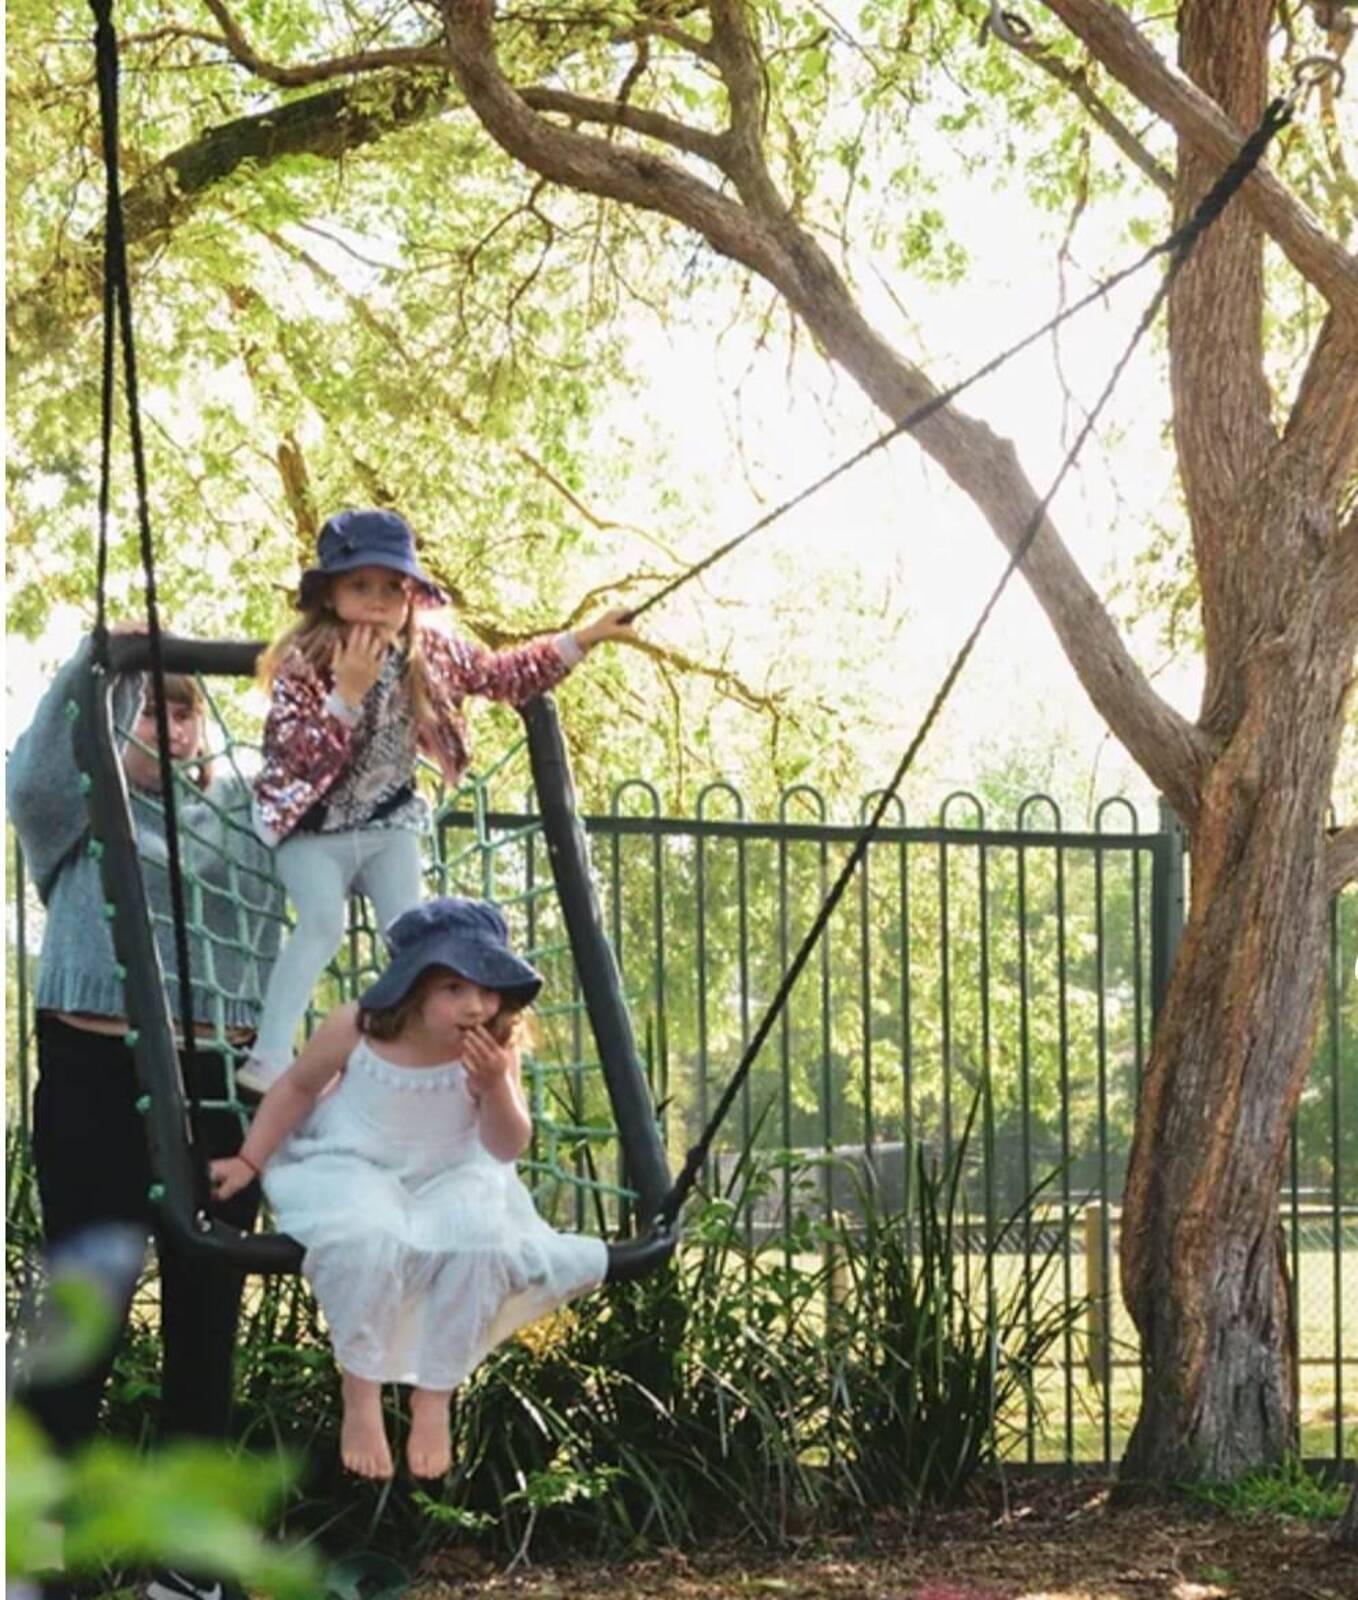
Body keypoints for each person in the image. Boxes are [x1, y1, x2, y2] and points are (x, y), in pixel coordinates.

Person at [7, 632, 283, 1600]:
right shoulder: (80, 813)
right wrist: (100, 660)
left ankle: (188, 1558)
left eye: (181, 707)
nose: (166, 724)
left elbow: (343, 761)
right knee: (81, 1302)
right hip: (98, 1068)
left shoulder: (249, 810)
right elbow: (40, 761)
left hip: (220, 1077)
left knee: (208, 1311)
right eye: (145, 708)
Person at [210, 896, 607, 1480]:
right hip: (353, 1164)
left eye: (488, 990)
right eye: (453, 988)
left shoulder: (494, 1053)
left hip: (453, 1173)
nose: (475, 1006)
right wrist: (250, 1158)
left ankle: (436, 1394)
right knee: (366, 1239)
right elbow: (296, 1087)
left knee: (482, 1244)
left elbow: (505, 1146)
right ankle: (361, 1391)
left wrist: (496, 1087)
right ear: (414, 987)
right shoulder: (357, 1026)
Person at [239, 507, 634, 1093]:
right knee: (320, 922)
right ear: (330, 594)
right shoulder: (308, 662)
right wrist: (345, 696)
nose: (377, 600)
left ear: (412, 594)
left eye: (392, 587)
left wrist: (583, 638)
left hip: (388, 820)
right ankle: (269, 1056)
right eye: (359, 585)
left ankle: (405, 1056)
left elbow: (505, 675)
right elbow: (294, 758)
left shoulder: (433, 653)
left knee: (413, 933)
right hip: (310, 824)